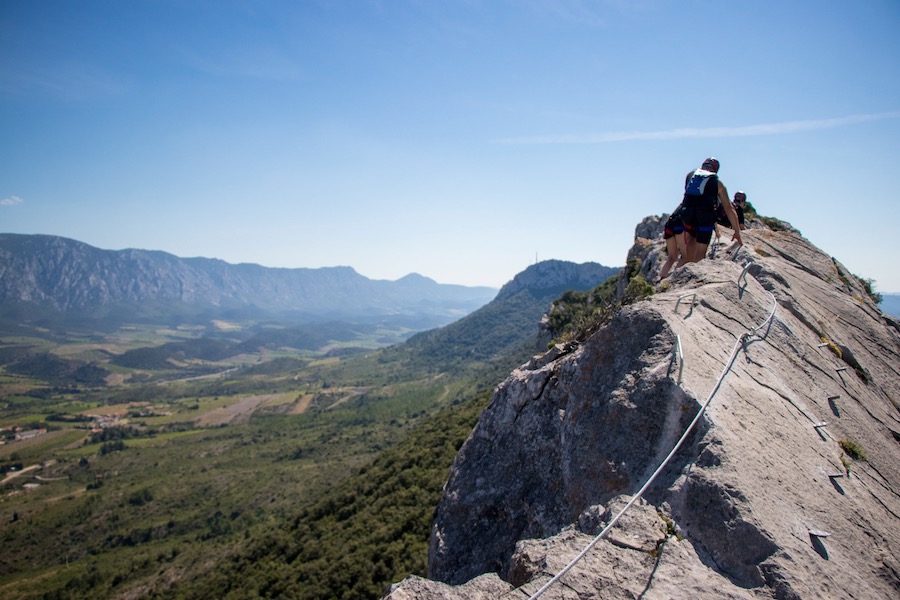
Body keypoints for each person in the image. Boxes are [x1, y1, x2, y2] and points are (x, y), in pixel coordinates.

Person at [676, 157, 742, 268]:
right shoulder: (717, 183)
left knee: (692, 239)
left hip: (687, 216)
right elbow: (728, 208)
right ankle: (696, 272)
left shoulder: (690, 176)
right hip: (705, 218)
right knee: (701, 253)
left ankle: (686, 268)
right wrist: (737, 231)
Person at [658, 203, 686, 280]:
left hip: (669, 226)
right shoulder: (694, 204)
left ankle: (662, 278)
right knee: (685, 256)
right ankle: (674, 278)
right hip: (679, 226)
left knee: (672, 257)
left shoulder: (682, 205)